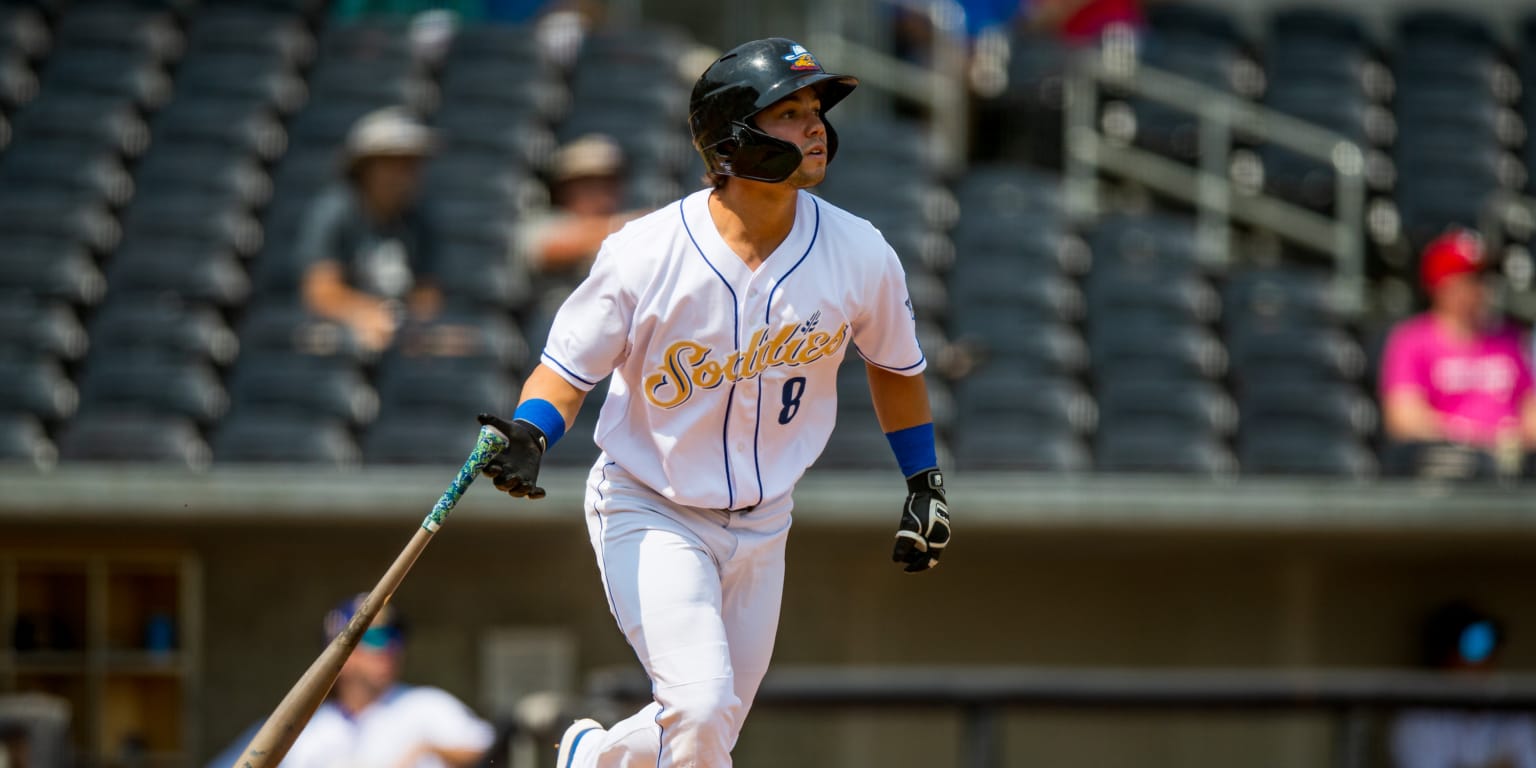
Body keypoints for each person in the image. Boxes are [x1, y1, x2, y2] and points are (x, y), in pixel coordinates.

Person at [473, 38, 952, 767]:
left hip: (765, 523)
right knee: (699, 708)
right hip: (651, 504)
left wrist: (923, 480)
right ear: (733, 137)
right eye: (789, 112)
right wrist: (533, 431)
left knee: (710, 723)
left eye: (815, 109)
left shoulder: (861, 253)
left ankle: (590, 757)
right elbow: (566, 372)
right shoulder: (646, 250)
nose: (816, 125)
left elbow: (895, 367)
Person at [206, 595, 494, 768]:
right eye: (372, 638)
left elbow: (493, 749)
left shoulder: (427, 706)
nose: (388, 648)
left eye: (395, 637)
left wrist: (431, 749)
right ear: (336, 654)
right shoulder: (300, 727)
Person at [1380, 229, 1536, 476]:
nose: (1481, 287)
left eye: (1483, 278)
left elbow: (1532, 412)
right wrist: (1478, 438)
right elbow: (1403, 419)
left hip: (1511, 469)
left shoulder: (1512, 339)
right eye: (1471, 277)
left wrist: (1513, 441)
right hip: (1445, 470)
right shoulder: (1411, 339)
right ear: (1442, 284)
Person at [298, 107, 443, 353]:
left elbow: (428, 294)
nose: (407, 175)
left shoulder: (419, 220)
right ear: (366, 168)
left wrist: (402, 321)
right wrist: (366, 313)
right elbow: (320, 291)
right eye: (394, 163)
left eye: (412, 164)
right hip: (339, 333)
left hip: (399, 333)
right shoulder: (335, 211)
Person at [1391, 602, 1536, 768]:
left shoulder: (1509, 704)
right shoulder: (1419, 712)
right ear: (1447, 655)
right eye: (1474, 648)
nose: (1485, 662)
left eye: (1490, 650)